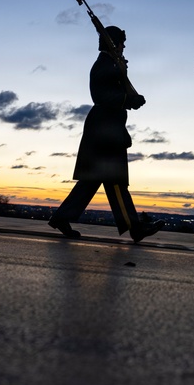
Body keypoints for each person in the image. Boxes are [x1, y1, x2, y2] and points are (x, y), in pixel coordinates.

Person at [49, 25, 164, 242]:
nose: (123, 47)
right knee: (115, 180)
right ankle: (135, 228)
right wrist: (129, 99)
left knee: (93, 181)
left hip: (106, 130)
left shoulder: (110, 64)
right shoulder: (104, 65)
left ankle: (62, 218)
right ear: (113, 43)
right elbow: (101, 96)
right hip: (105, 132)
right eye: (121, 42)